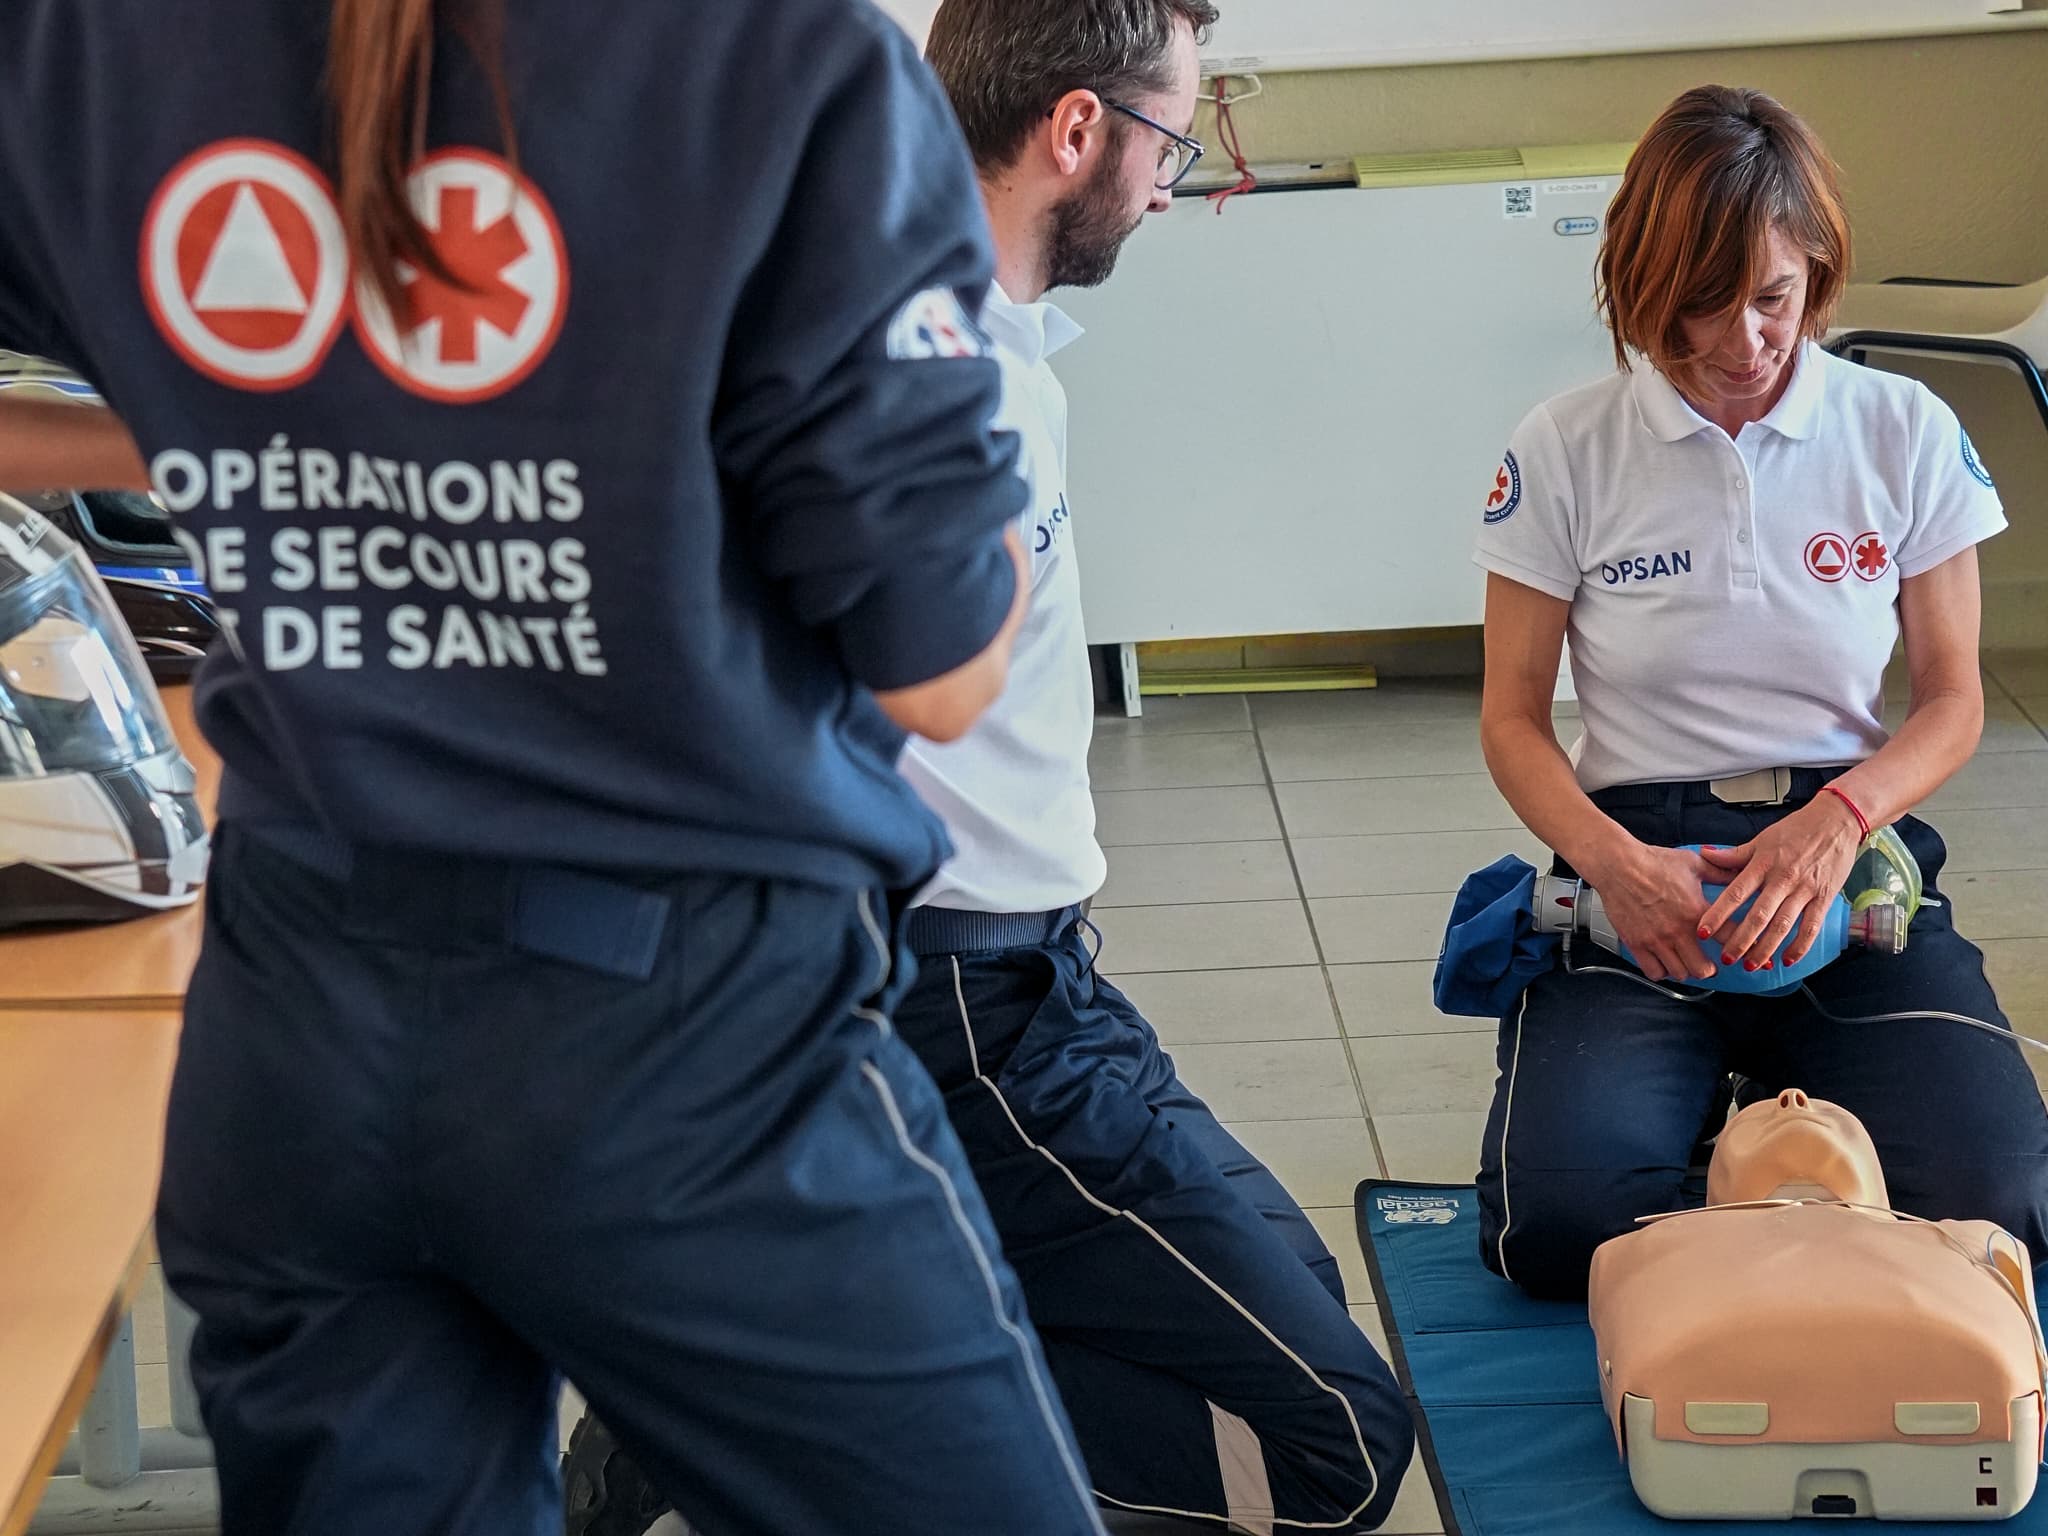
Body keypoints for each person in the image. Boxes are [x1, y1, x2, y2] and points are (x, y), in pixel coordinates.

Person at [0, 4, 1121, 1534]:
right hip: (676, 1046)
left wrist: (246, 428)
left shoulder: (98, 46)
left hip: (288, 1036)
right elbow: (936, 669)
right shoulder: (770, 58)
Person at [569, 2, 1416, 1526]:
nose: (1176, 185)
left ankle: (808, 1354)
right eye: (1173, 139)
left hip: (1038, 981)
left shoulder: (992, 335)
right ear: (1076, 130)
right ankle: (732, 1403)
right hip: (963, 1009)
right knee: (1338, 1455)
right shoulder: (911, 366)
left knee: (1295, 1280)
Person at [1471, 84, 2048, 1301]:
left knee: (2003, 1205)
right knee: (1554, 1229)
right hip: (1637, 864)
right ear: (1637, 288)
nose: (1741, 343)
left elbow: (1950, 702)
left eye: (1773, 300)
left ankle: (1761, 1126)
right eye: (1698, 306)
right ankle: (1722, 1126)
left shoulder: (1900, 429)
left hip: (1842, 855)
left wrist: (1836, 825)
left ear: (1816, 275)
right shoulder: (1565, 448)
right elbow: (1513, 720)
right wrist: (1614, 866)